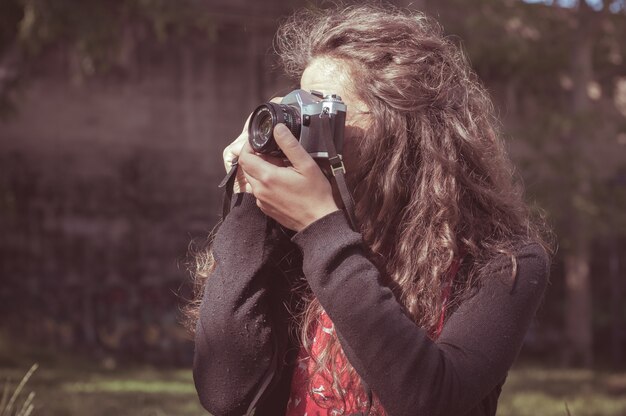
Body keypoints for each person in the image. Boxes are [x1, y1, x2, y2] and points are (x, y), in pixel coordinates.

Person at [188, 4, 551, 416]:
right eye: (303, 105)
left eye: (326, 109)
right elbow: (226, 395)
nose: (305, 126)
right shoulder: (288, 239)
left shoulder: (501, 261)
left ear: (404, 123)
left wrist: (322, 230)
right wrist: (250, 202)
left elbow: (431, 400)